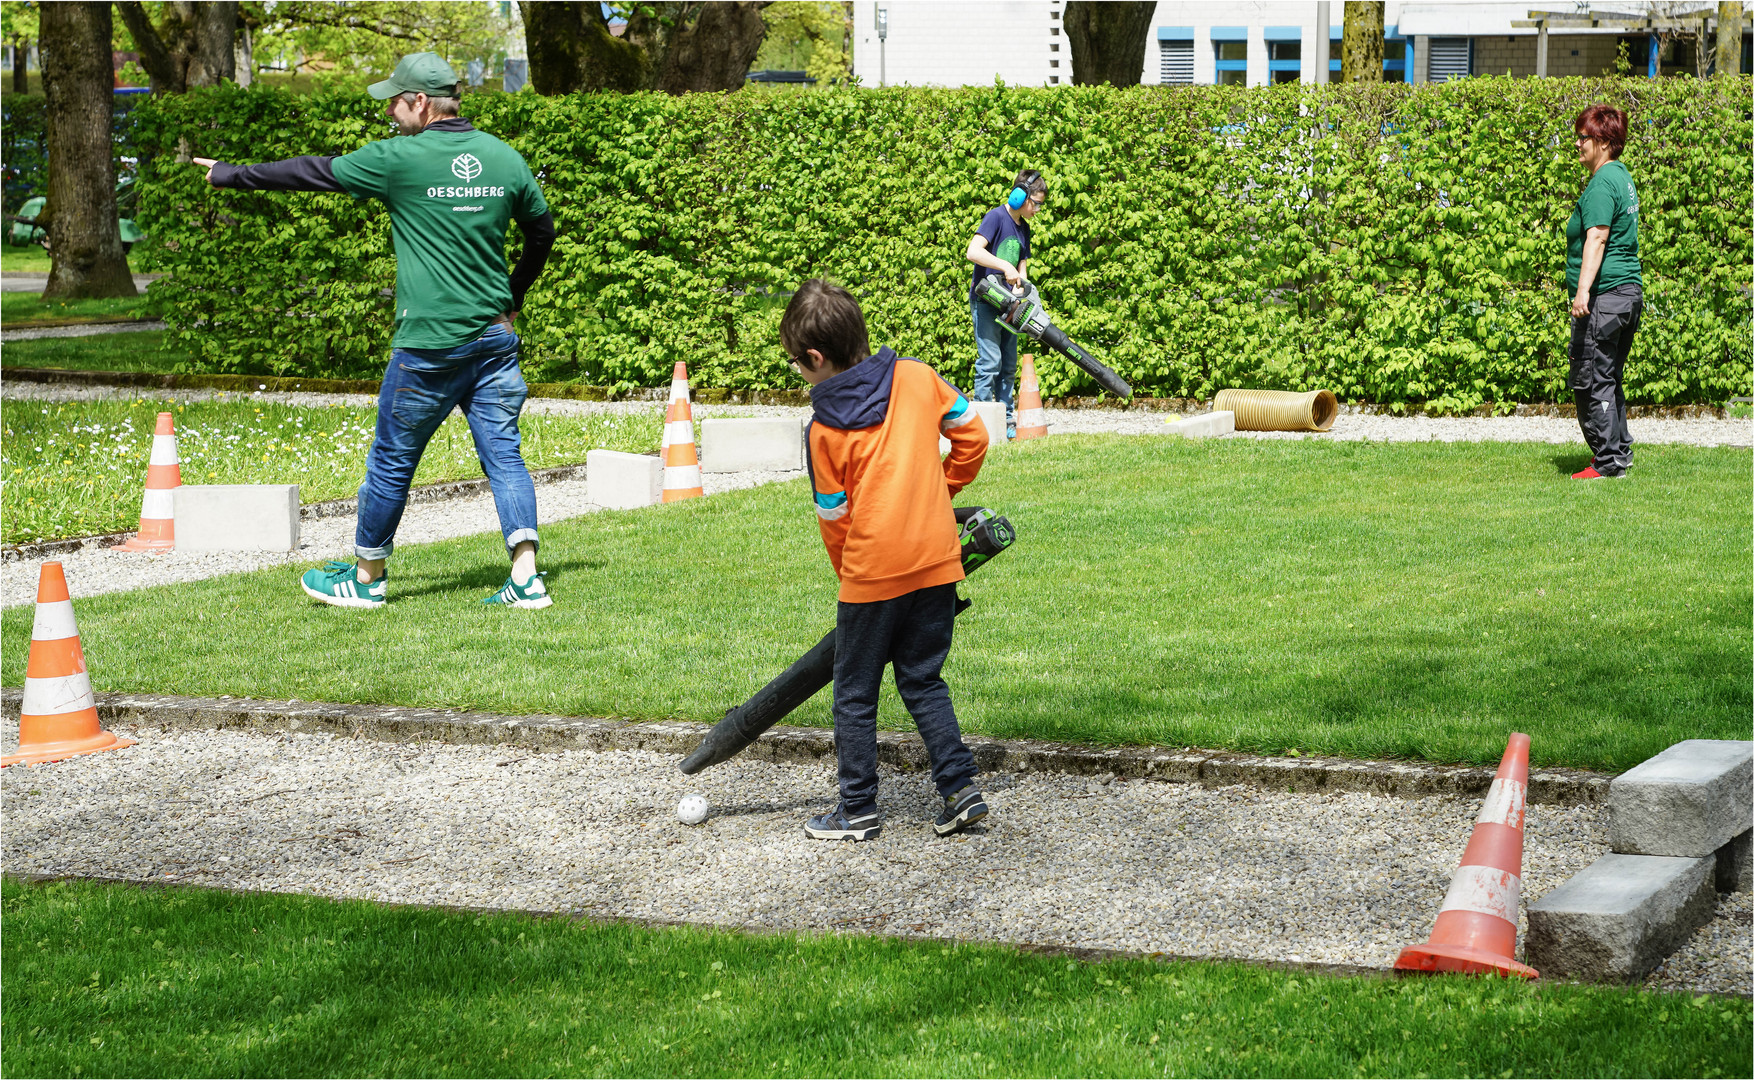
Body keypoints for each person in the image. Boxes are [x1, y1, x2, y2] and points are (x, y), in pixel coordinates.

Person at [191, 52, 557, 607]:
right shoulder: (504, 159)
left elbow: (311, 172)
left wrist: (230, 174)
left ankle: (366, 580)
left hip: (429, 346)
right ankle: (526, 578)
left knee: (391, 459)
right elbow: (542, 233)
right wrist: (513, 296)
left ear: (421, 103)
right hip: (493, 339)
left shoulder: (398, 160)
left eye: (394, 101)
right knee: (505, 455)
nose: (389, 111)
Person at [782, 279, 991, 842]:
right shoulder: (920, 378)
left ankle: (856, 809)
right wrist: (937, 492)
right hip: (938, 564)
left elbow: (834, 520)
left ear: (816, 358)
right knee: (923, 680)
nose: (801, 375)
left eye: (798, 365)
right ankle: (961, 790)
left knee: (854, 691)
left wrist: (851, 574)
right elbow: (973, 435)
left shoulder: (823, 430)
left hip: (871, 576)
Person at [1564, 104, 1643, 480]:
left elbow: (1596, 237)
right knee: (1608, 376)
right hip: (1628, 294)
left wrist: (1583, 293)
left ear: (1604, 142)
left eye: (1584, 137)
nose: (1577, 144)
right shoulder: (1623, 178)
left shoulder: (1601, 183)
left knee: (1591, 379)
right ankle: (1620, 453)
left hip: (1605, 297)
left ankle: (1608, 463)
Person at [965, 169, 1046, 441]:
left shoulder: (1025, 227)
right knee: (990, 361)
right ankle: (982, 423)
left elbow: (1021, 267)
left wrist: (1023, 288)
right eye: (1036, 202)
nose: (1037, 209)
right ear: (1019, 196)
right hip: (986, 301)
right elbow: (973, 251)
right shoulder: (995, 217)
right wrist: (1004, 266)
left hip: (1009, 306)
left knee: (1009, 364)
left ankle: (1006, 421)